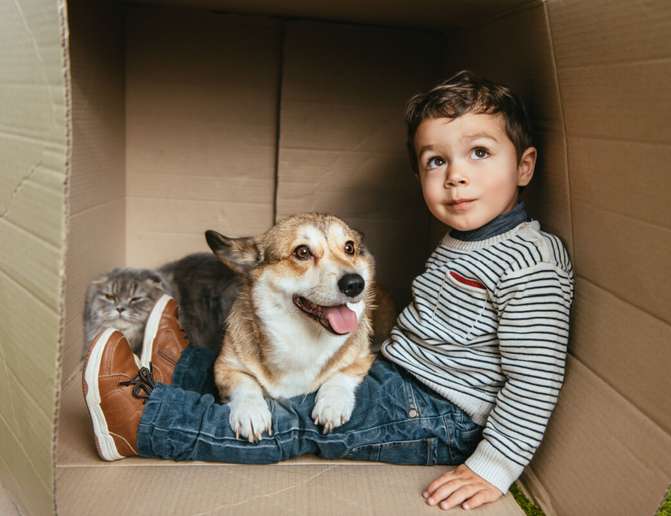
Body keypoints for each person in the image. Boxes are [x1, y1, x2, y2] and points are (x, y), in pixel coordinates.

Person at [83, 70, 574, 511]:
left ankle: (148, 427)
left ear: (525, 167)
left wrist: (494, 466)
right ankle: (180, 365)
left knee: (295, 422)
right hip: (398, 377)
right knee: (286, 381)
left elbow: (536, 380)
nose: (457, 175)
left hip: (441, 416)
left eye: (480, 153)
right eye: (435, 161)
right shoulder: (466, 238)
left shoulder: (532, 262)